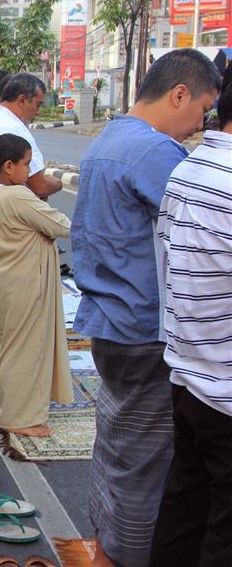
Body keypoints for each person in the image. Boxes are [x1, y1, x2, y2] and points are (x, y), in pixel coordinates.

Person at [71, 48, 221, 567]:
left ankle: (107, 545)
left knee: (118, 440)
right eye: (202, 110)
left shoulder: (109, 139)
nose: (199, 125)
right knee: (148, 460)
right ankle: (129, 553)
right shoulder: (155, 152)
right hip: (144, 327)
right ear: (179, 94)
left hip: (110, 320)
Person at [150, 76, 232, 567]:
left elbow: (166, 261)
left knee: (186, 504)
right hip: (222, 385)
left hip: (189, 369)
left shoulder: (189, 167)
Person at [0, 73, 58, 391]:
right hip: (3, 224)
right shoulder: (13, 129)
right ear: (21, 99)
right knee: (3, 302)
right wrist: (60, 183)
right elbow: (38, 184)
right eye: (37, 104)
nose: (37, 111)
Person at [0, 133, 73, 437]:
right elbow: (60, 224)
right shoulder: (17, 196)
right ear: (9, 166)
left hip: (9, 279)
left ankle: (2, 400)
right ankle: (17, 417)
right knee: (25, 347)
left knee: (9, 343)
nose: (29, 170)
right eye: (26, 164)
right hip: (25, 281)